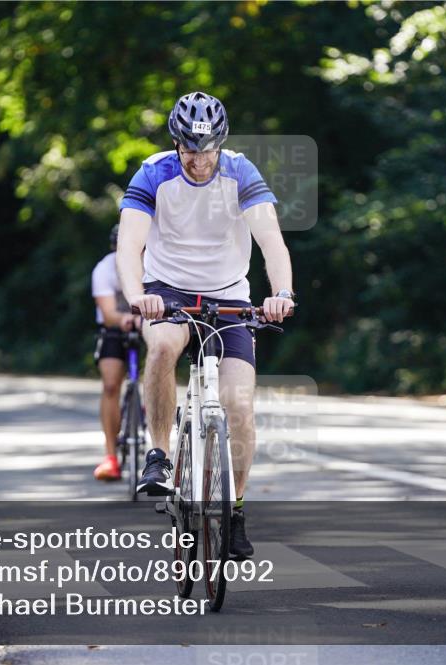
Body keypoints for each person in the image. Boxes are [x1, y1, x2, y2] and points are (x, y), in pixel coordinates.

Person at [116, 91, 295, 560]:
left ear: (221, 143)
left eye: (209, 149)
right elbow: (129, 244)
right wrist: (138, 295)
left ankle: (234, 511)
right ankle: (158, 454)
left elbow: (271, 240)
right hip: (166, 291)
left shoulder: (240, 172)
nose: (200, 160)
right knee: (161, 349)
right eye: (192, 150)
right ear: (177, 144)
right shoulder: (154, 173)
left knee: (238, 405)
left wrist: (281, 294)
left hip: (228, 295)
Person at [91, 224, 139, 481]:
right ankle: (110, 455)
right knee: (111, 384)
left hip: (147, 325)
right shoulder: (104, 269)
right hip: (114, 328)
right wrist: (126, 319)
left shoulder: (153, 264)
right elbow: (109, 314)